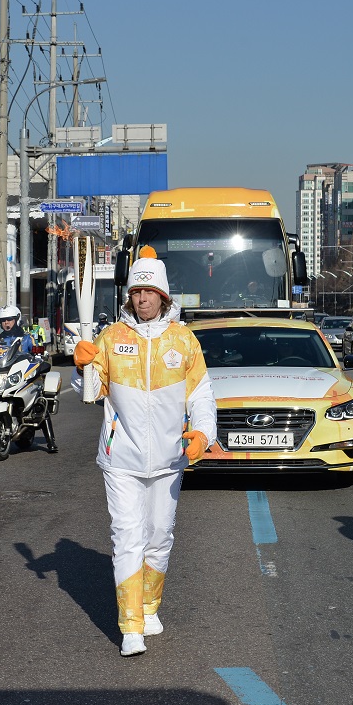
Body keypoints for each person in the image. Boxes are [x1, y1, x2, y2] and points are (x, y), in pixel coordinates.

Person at [71, 248, 217, 657]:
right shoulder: (112, 337)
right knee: (127, 537)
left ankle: (149, 606)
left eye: (150, 292)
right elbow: (91, 394)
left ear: (163, 296)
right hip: (121, 457)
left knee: (159, 536)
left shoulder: (183, 341)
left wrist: (202, 433)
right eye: (136, 291)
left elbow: (202, 395)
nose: (142, 299)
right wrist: (84, 366)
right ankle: (130, 626)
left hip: (170, 457)